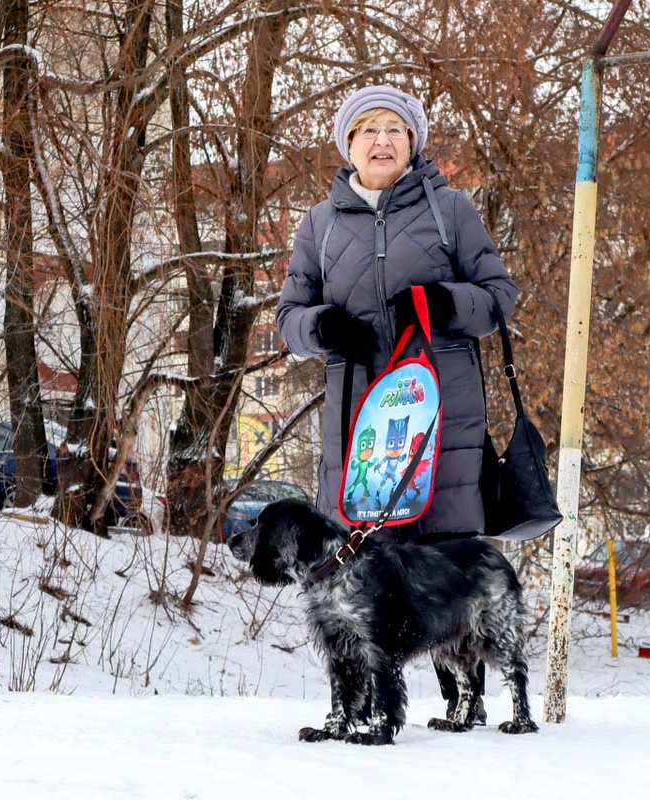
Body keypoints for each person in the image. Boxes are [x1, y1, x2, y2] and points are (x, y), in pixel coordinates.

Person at [275, 84, 519, 727]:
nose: (382, 140)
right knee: (367, 558)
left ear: (413, 141)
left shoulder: (451, 211)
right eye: (368, 130)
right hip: (359, 419)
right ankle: (362, 705)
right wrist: (322, 326)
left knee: (437, 553)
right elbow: (287, 320)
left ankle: (463, 704)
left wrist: (446, 304)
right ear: (348, 144)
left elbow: (499, 296)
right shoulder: (319, 224)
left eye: (395, 129)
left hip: (440, 412)